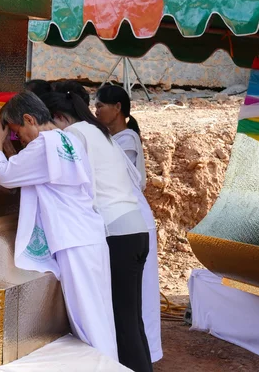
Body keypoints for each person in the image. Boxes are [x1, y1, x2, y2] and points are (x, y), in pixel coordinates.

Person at [0, 92, 118, 361]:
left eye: (16, 131)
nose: (18, 138)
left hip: (73, 240)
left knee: (88, 322)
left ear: (29, 119)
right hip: (91, 235)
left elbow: (4, 175)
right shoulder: (68, 138)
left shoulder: (41, 147)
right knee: (100, 314)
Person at [41, 91, 153, 372]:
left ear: (58, 117)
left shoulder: (76, 134)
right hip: (135, 228)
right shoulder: (98, 131)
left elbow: (69, 180)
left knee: (121, 319)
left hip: (117, 232)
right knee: (131, 317)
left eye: (48, 125)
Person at [94, 85, 162, 362]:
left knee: (138, 298)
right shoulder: (112, 138)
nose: (96, 110)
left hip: (134, 221)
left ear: (118, 108)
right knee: (131, 300)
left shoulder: (127, 140)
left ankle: (144, 357)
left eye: (100, 105)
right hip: (128, 219)